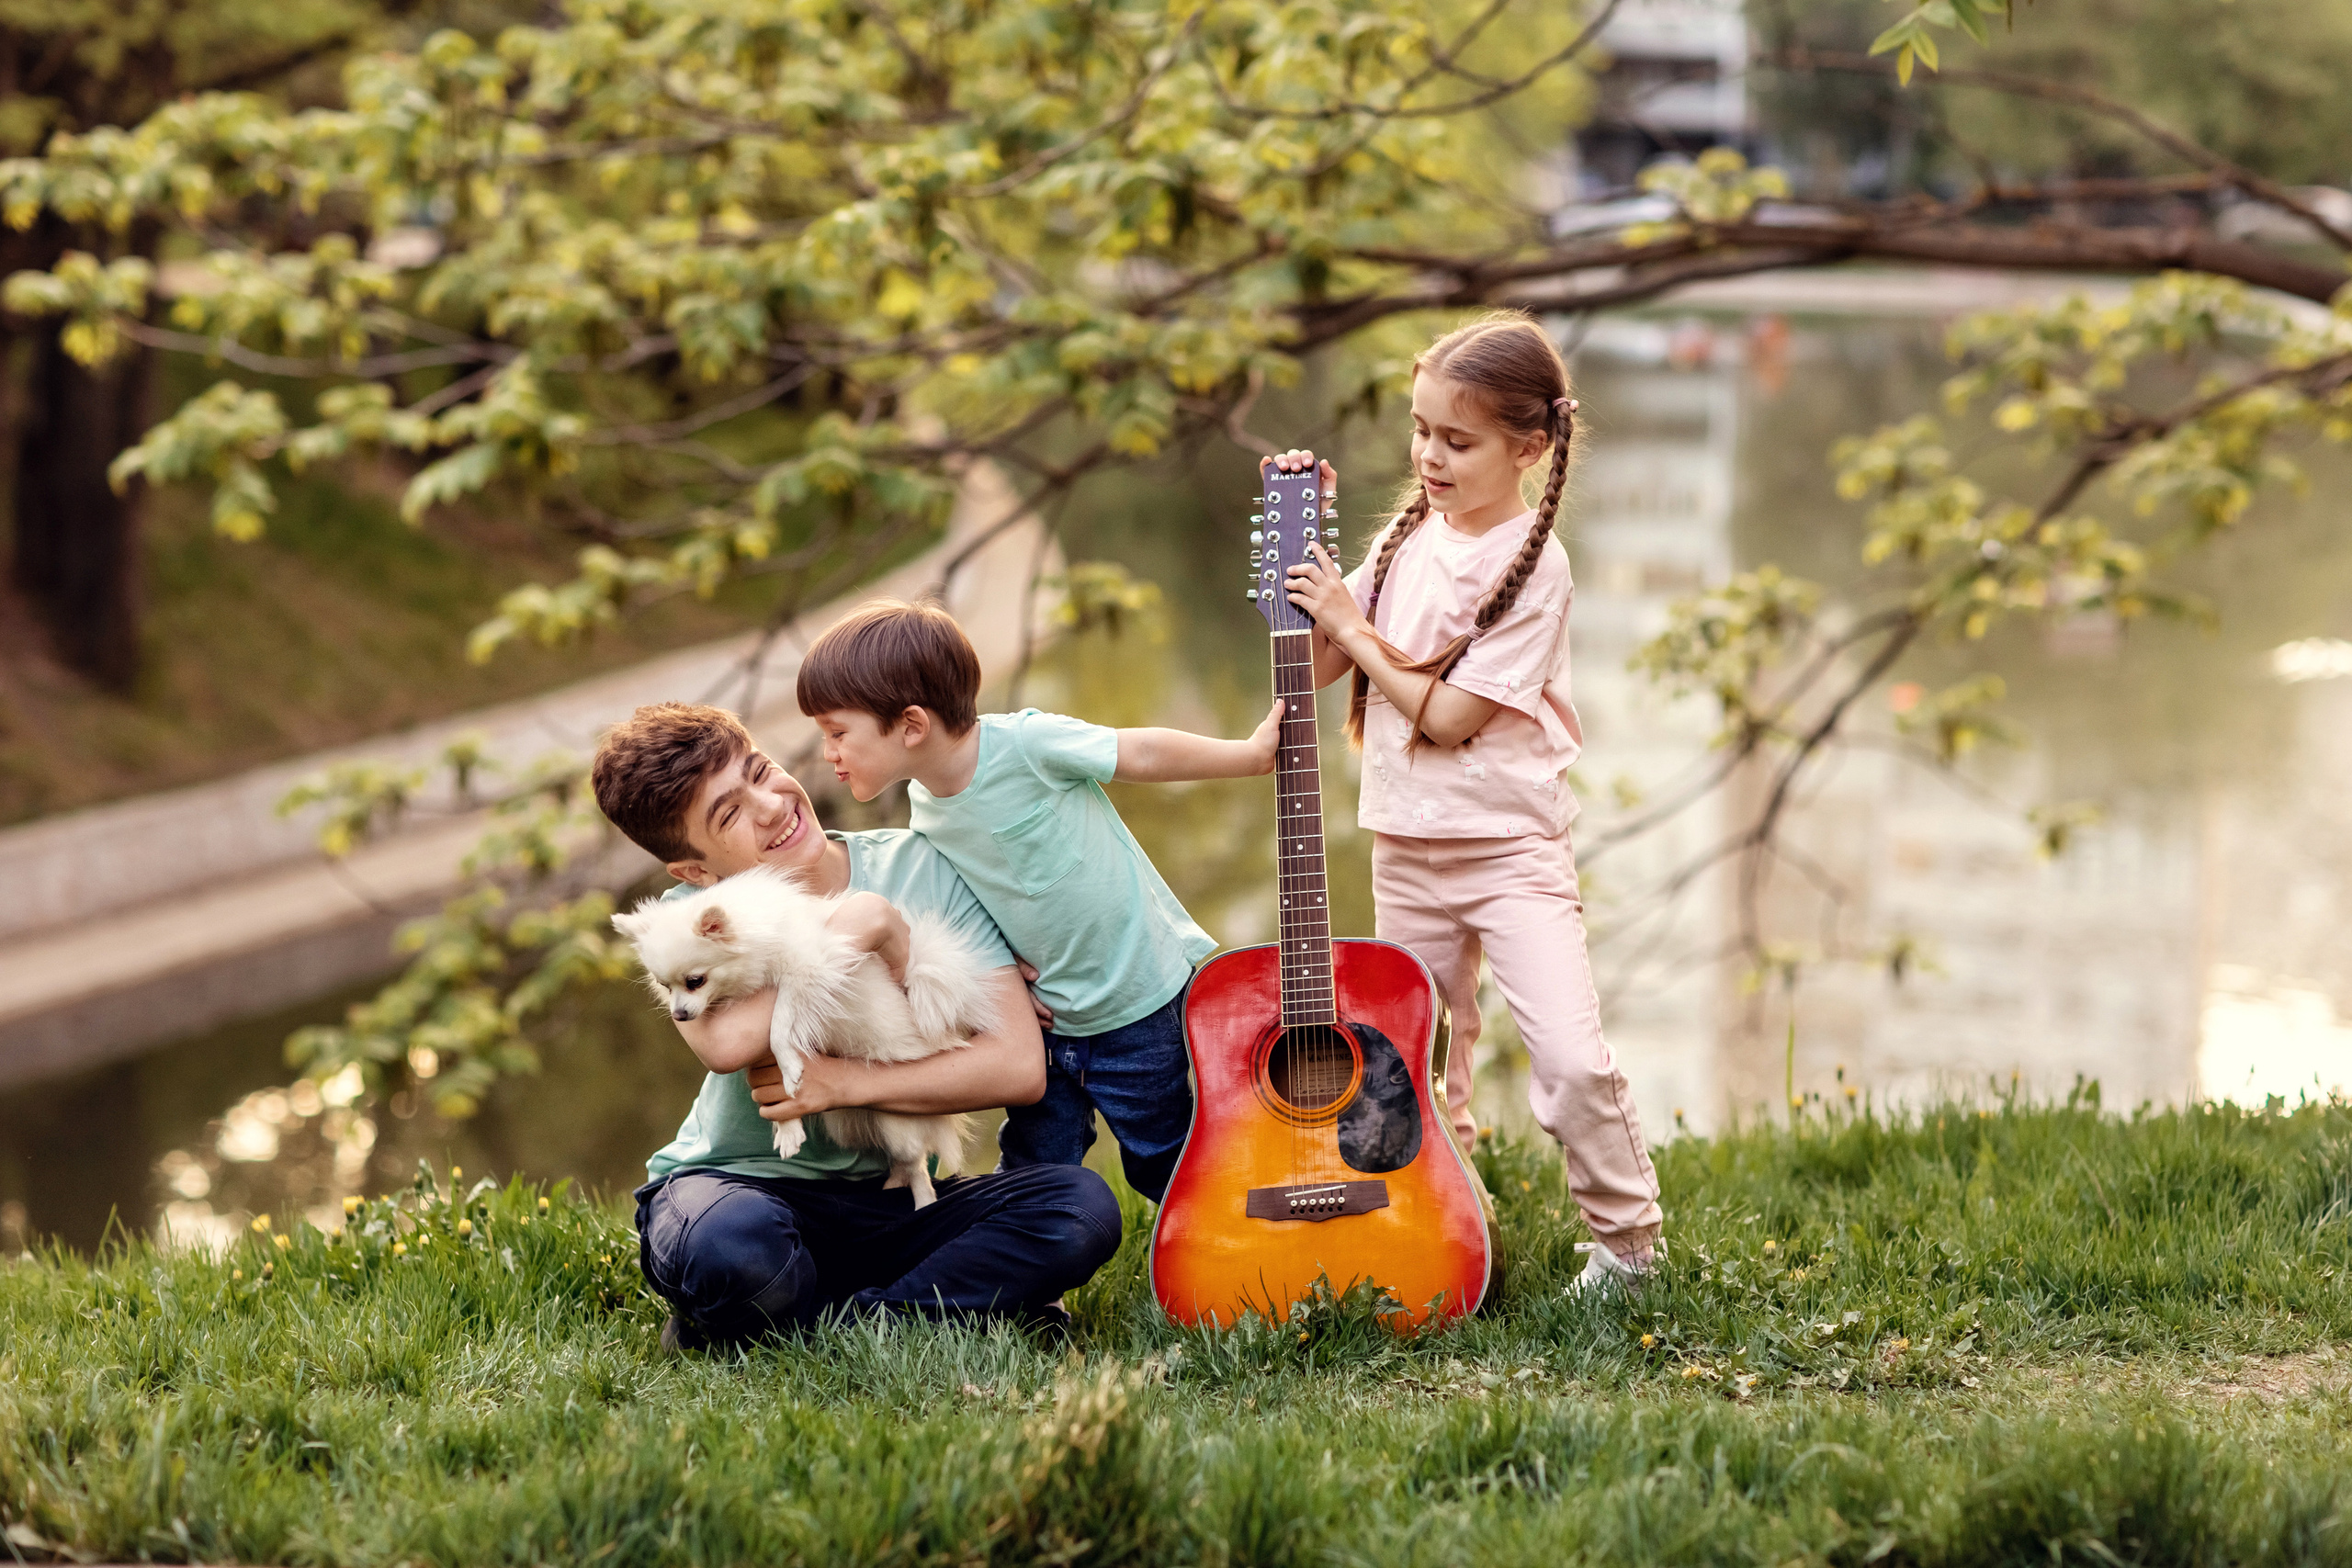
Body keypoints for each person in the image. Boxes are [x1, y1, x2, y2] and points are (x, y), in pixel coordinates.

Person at [1279, 310, 1666, 1293]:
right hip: (1404, 846)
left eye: (1457, 440)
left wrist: (1352, 630)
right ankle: (1444, 1237)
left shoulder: (1536, 568)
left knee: (1572, 1061)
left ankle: (1628, 1250)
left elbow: (1446, 718)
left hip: (1507, 851)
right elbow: (1315, 660)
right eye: (1420, 432)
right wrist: (1302, 535)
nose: (1429, 456)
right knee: (1398, 1066)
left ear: (1527, 448)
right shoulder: (1407, 547)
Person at [591, 702, 1122, 1350]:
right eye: (729, 813)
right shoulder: (690, 919)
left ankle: (822, 1317)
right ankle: (896, 1299)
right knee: (730, 1246)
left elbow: (1017, 1066)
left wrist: (842, 1084)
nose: (770, 804)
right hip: (739, 1191)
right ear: (696, 872)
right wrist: (864, 922)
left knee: (1079, 1212)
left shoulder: (921, 865)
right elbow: (727, 1043)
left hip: (891, 1201)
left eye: (760, 770)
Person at [797, 599, 1282, 1203]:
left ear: (911, 725)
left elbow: (1138, 752)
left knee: (1163, 1157)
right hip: (1049, 1023)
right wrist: (1002, 978)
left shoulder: (1025, 745)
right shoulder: (924, 813)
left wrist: (1251, 756)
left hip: (1138, 1004)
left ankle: (1235, 1240)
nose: (828, 753)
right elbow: (969, 908)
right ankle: (1037, 1286)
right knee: (1035, 1167)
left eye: (837, 732)